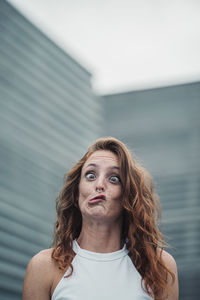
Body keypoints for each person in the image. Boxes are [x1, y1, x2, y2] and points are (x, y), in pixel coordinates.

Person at [23, 137, 179, 300]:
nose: (99, 185)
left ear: (128, 195)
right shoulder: (43, 266)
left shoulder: (159, 266)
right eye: (90, 175)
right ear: (77, 192)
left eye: (114, 178)